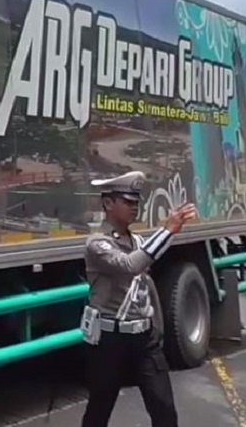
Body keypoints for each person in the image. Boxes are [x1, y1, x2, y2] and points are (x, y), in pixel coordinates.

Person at [80, 170, 198, 427]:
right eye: (127, 202)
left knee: (164, 407)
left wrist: (157, 327)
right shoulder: (97, 244)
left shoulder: (138, 240)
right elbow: (131, 265)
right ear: (108, 203)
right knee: (100, 407)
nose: (134, 208)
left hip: (143, 340)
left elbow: (146, 285)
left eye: (136, 203)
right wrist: (167, 232)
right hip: (109, 340)